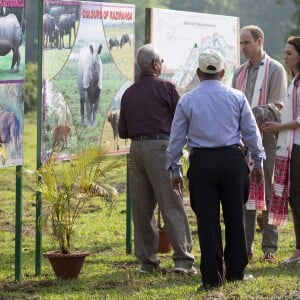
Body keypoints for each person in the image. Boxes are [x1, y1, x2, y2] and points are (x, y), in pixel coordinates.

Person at [166, 48, 265, 289]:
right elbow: (251, 132)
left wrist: (174, 169)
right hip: (233, 161)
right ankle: (236, 272)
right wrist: (258, 161)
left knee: (207, 222)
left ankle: (211, 278)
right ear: (222, 72)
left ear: (198, 73)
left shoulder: (187, 100)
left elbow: (176, 139)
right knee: (235, 216)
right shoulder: (237, 97)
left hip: (202, 164)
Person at [118, 43, 195, 275]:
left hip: (136, 151)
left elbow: (122, 131)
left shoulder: (129, 92)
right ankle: (182, 260)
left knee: (142, 208)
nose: (161, 64)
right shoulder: (167, 87)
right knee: (171, 204)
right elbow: (181, 121)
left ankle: (147, 263)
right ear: (154, 64)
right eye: (160, 61)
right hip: (162, 148)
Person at [232, 25, 287, 263]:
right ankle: (245, 246)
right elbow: (232, 103)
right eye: (241, 43)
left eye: (247, 42)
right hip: (240, 141)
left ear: (259, 41)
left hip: (265, 138)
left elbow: (276, 108)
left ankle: (270, 247)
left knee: (269, 189)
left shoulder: (275, 69)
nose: (243, 47)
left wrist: (247, 117)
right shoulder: (239, 72)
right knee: (244, 193)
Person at [263, 36, 300, 264]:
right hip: (291, 146)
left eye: (289, 53)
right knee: (294, 198)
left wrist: (279, 126)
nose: (285, 57)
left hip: (297, 145)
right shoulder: (294, 80)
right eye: (284, 53)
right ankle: (298, 249)